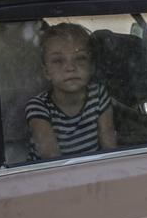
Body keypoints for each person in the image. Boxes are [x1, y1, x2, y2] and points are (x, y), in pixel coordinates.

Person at [25, 23, 118, 159]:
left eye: (80, 58)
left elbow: (109, 148)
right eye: (58, 61)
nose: (70, 68)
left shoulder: (98, 95)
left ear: (91, 66)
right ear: (46, 72)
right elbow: (51, 158)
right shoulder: (38, 107)